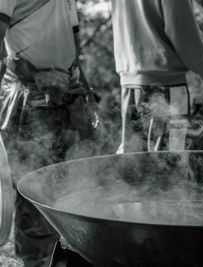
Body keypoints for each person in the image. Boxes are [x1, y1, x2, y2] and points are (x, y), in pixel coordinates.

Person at [0, 0, 97, 266]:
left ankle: (64, 260)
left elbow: (72, 53)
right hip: (29, 101)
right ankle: (36, 262)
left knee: (72, 190)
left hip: (68, 97)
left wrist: (86, 94)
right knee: (33, 192)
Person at [111, 0, 203, 153]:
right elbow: (182, 32)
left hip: (129, 82)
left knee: (133, 162)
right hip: (167, 86)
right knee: (170, 162)